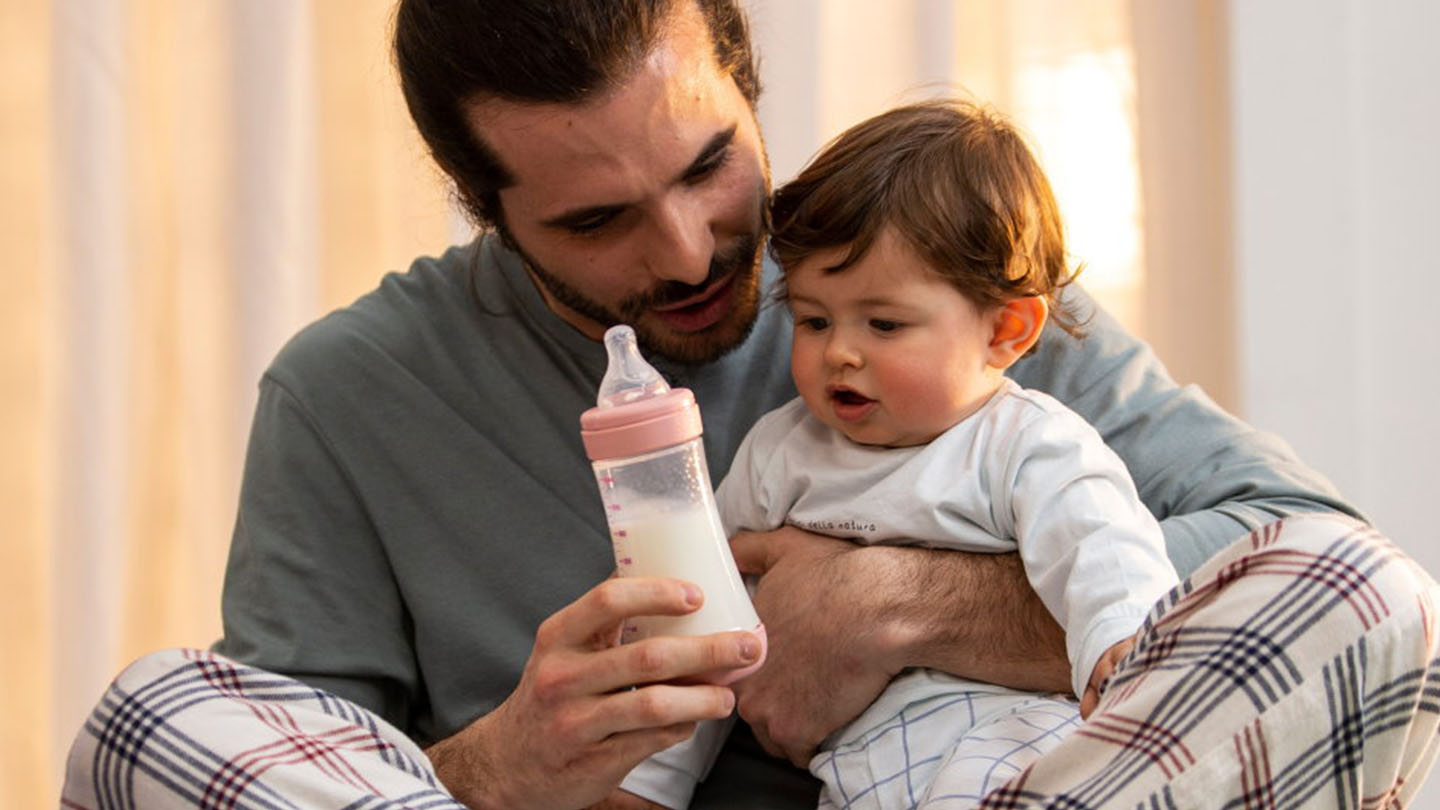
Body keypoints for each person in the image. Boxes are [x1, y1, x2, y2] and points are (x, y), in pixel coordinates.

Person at [60, 2, 1439, 809]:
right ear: (488, 209)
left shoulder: (921, 280)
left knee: (1365, 590)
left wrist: (899, 601)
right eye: (599, 218)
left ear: (745, 65)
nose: (686, 250)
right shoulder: (351, 394)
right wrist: (506, 761)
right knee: (157, 718)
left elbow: (1292, 546)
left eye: (710, 163)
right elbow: (297, 759)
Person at [680, 97, 1179, 808]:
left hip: (1022, 743)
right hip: (860, 780)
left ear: (1004, 329)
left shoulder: (1028, 444)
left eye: (884, 323)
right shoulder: (778, 454)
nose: (839, 352)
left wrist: (1120, 651)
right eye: (814, 320)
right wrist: (649, 782)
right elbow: (707, 616)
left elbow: (1102, 551)